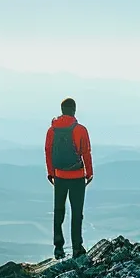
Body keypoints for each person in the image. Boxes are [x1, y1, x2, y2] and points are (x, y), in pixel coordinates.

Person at [46, 97, 93, 259]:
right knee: (77, 212)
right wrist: (89, 173)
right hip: (77, 176)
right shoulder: (81, 130)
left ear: (62, 110)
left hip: (59, 176)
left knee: (59, 211)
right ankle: (77, 248)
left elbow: (48, 151)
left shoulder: (52, 130)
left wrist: (51, 172)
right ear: (74, 110)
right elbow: (86, 152)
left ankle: (58, 248)